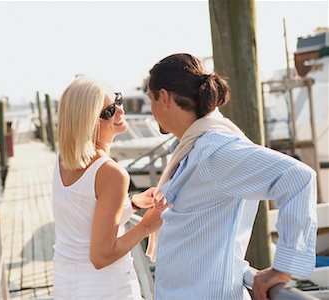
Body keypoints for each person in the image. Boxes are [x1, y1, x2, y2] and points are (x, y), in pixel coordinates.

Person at [145, 53, 317, 300]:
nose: (152, 110)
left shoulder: (213, 151)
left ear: (163, 98)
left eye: (151, 99)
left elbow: (297, 178)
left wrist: (283, 269)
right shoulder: (192, 149)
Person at [52, 77, 166, 299]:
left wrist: (132, 203)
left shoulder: (62, 161)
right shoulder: (112, 174)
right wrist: (146, 225)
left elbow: (83, 220)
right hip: (106, 289)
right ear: (87, 122)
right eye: (109, 111)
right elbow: (101, 256)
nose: (121, 112)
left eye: (118, 101)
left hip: (66, 286)